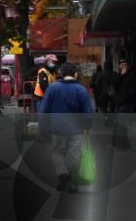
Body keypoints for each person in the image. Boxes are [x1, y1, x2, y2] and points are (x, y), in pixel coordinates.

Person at [37, 62, 94, 192]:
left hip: (57, 127)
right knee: (74, 154)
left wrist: (43, 128)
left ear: (61, 74)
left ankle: (63, 173)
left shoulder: (53, 88)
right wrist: (88, 125)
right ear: (76, 74)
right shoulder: (81, 89)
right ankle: (73, 182)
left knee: (58, 152)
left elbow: (44, 110)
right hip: (76, 129)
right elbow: (88, 111)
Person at [111, 60, 136, 149]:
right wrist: (121, 75)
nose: (123, 67)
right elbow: (115, 85)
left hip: (126, 103)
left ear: (128, 66)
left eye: (125, 65)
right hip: (119, 103)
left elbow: (134, 89)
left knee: (121, 124)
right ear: (119, 66)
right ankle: (122, 144)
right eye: (121, 65)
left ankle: (121, 144)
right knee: (118, 124)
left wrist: (127, 98)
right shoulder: (119, 75)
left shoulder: (132, 75)